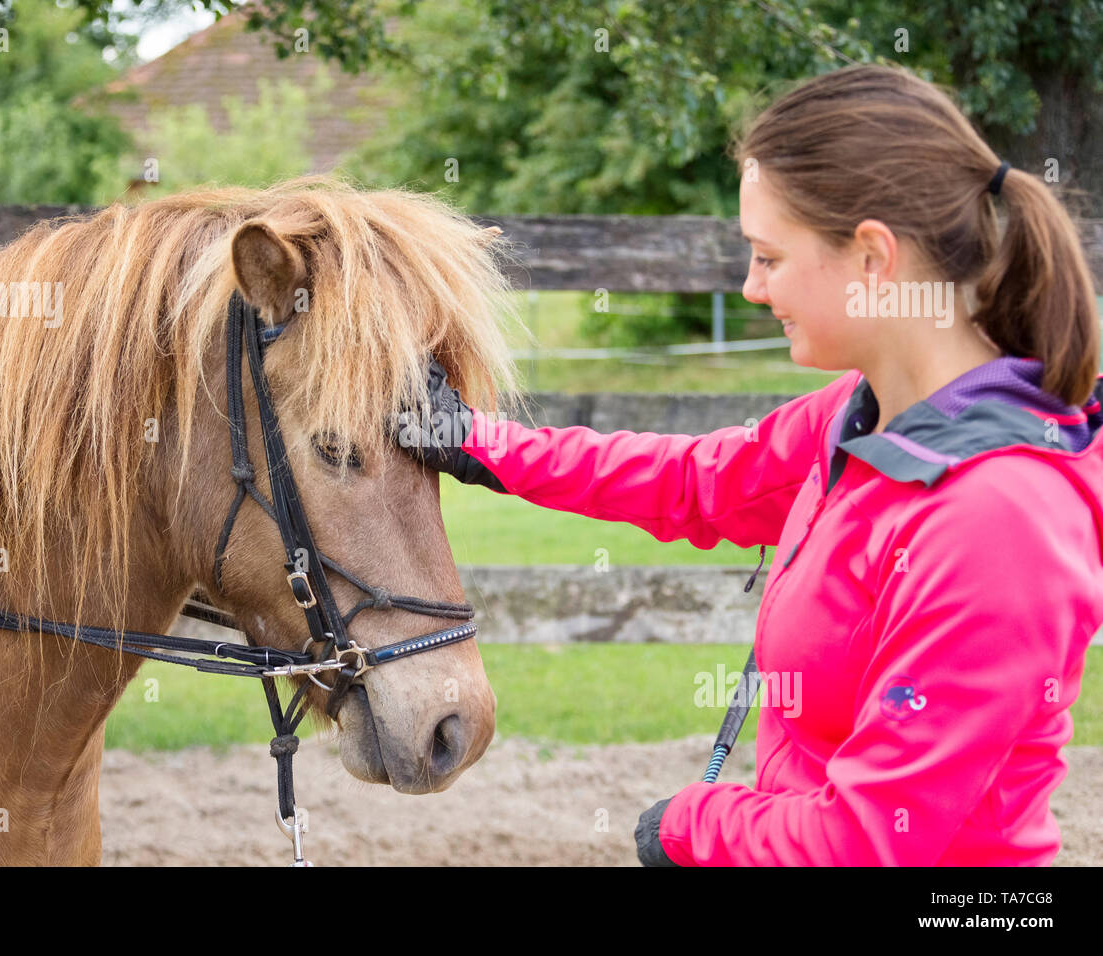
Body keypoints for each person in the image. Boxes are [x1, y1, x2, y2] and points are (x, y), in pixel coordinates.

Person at [396, 63, 1103, 866]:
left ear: (873, 257)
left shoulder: (996, 518)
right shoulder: (862, 416)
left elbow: (869, 842)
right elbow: (696, 482)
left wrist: (693, 828)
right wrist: (475, 442)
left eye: (768, 256)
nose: (751, 287)